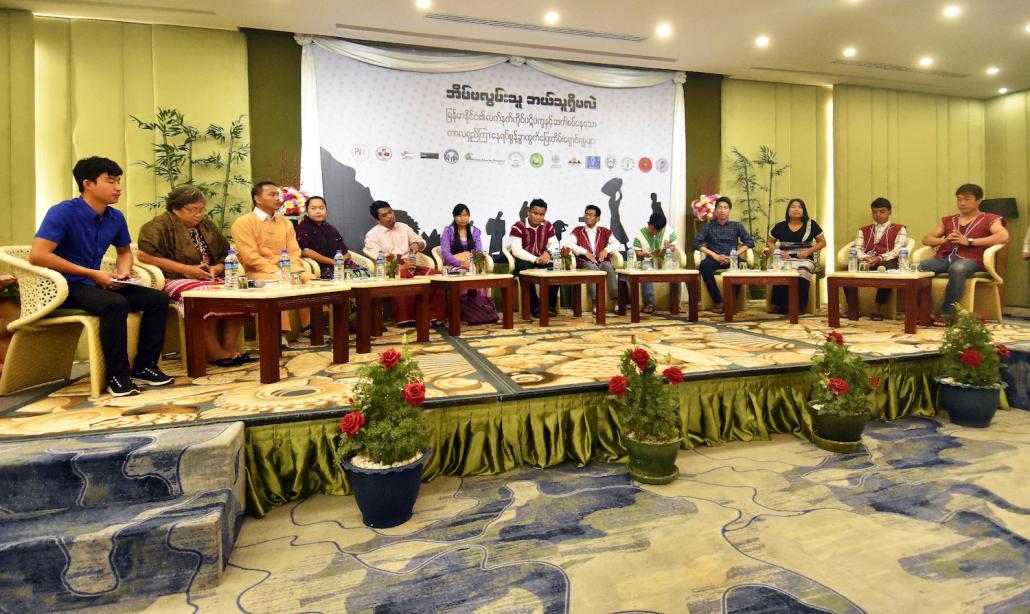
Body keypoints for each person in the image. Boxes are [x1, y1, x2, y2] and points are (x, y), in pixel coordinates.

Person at [30, 156, 173, 397]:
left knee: (157, 300)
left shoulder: (115, 217)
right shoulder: (62, 212)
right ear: (88, 184)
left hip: (97, 284)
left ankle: (146, 366)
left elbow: (125, 252)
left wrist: (124, 273)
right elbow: (38, 255)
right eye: (110, 181)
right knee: (114, 304)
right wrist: (92, 274)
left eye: (119, 181)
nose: (118, 187)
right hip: (64, 287)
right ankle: (117, 376)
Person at [137, 185, 253, 367]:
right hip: (174, 278)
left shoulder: (207, 226)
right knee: (203, 294)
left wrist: (217, 267)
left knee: (236, 291)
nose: (198, 215)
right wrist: (187, 269)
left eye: (201, 210)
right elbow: (144, 255)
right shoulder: (157, 225)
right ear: (175, 208)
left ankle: (229, 347)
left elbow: (225, 253)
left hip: (209, 277)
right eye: (192, 210)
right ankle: (213, 351)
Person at [231, 181, 313, 336]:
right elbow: (250, 257)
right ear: (258, 199)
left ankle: (308, 327)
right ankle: (278, 333)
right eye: (272, 194)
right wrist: (277, 272)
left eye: (278, 194)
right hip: (257, 272)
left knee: (309, 278)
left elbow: (294, 252)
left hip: (286, 269)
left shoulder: (286, 223)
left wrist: (294, 270)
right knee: (278, 283)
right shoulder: (243, 223)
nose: (278, 198)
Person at [919, 184, 1009, 325]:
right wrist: (944, 240)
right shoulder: (949, 220)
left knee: (958, 268)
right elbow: (926, 239)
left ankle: (946, 313)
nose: (962, 203)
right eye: (959, 199)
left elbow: (1003, 236)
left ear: (978, 200)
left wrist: (969, 242)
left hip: (973, 260)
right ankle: (927, 312)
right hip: (946, 258)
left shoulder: (990, 218)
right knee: (916, 268)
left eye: (967, 199)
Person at [364, 200, 446, 325]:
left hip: (412, 264)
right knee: (404, 276)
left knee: (438, 277)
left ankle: (432, 316)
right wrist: (399, 264)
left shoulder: (403, 227)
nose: (390, 216)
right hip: (392, 270)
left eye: (390, 212)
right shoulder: (372, 235)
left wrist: (416, 244)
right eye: (384, 215)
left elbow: (421, 241)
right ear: (377, 220)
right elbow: (378, 257)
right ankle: (408, 318)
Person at [845, 197, 908, 321]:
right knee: (848, 272)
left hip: (887, 262)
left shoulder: (900, 228)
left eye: (882, 211)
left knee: (885, 271)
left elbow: (898, 250)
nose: (878, 215)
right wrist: (865, 258)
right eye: (875, 212)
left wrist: (880, 258)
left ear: (889, 212)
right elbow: (857, 247)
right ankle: (853, 308)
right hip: (867, 261)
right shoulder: (864, 230)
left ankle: (877, 308)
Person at [692, 196, 755, 314]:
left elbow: (749, 242)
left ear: (729, 211)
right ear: (715, 211)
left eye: (725, 208)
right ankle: (719, 301)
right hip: (714, 258)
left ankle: (730, 302)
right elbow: (696, 243)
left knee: (743, 266)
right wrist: (714, 255)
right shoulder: (708, 226)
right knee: (704, 266)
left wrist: (735, 254)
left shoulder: (737, 226)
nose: (722, 210)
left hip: (732, 258)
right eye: (720, 208)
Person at [765, 198, 827, 314]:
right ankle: (779, 305)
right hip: (784, 259)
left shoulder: (811, 225)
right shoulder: (779, 226)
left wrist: (808, 251)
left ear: (804, 211)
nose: (796, 209)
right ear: (788, 210)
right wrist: (778, 251)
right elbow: (769, 242)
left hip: (804, 259)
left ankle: (799, 306)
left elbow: (822, 242)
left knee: (802, 270)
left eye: (800, 207)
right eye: (793, 207)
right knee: (779, 269)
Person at [439, 204, 498, 324]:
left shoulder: (474, 231)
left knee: (477, 275)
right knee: (462, 273)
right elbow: (445, 253)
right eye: (459, 215)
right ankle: (462, 310)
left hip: (471, 264)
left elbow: (479, 251)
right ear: (454, 217)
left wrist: (473, 262)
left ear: (469, 216)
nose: (463, 218)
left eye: (465, 215)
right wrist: (460, 263)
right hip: (453, 265)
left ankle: (476, 308)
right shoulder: (448, 231)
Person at [564, 205, 621, 313]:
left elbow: (617, 244)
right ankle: (596, 303)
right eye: (586, 214)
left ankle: (616, 301)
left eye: (591, 215)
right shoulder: (578, 230)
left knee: (608, 266)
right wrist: (585, 252)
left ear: (597, 218)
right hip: (586, 262)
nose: (588, 217)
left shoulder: (604, 231)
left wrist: (606, 250)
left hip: (602, 261)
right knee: (591, 267)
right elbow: (569, 243)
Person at [509, 198, 560, 318]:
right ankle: (535, 306)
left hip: (543, 259)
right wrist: (535, 259)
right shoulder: (517, 227)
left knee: (555, 269)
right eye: (535, 213)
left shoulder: (548, 226)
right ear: (528, 212)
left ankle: (549, 306)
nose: (538, 217)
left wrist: (548, 253)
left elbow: (555, 244)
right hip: (525, 260)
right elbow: (517, 250)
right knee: (523, 270)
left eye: (541, 214)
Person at [295, 196, 368, 279]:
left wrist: (341, 260)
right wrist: (333, 262)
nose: (318, 211)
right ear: (307, 211)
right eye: (313, 208)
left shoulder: (331, 229)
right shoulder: (302, 229)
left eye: (321, 208)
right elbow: (305, 251)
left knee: (363, 276)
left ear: (326, 210)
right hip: (320, 268)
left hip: (341, 265)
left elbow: (346, 253)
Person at [632, 212, 679, 313]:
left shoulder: (668, 231)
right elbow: (637, 252)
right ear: (649, 224)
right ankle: (649, 303)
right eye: (652, 230)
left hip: (665, 258)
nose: (655, 233)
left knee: (675, 271)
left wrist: (668, 247)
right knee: (646, 270)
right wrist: (644, 254)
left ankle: (675, 303)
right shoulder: (641, 234)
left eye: (658, 231)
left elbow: (674, 247)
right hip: (647, 259)